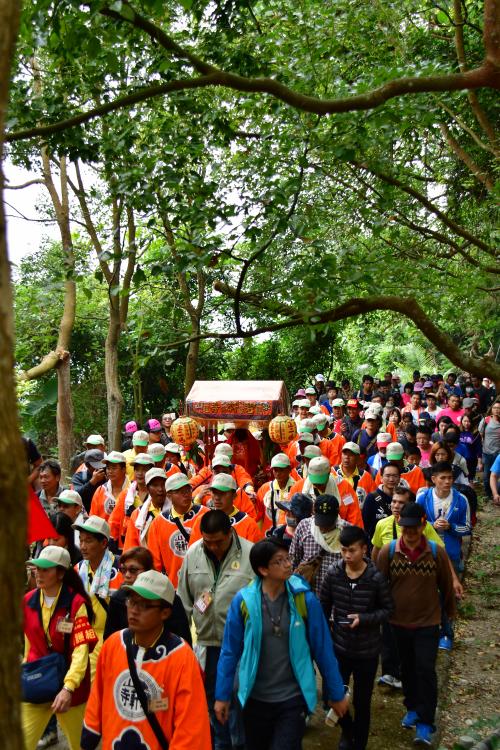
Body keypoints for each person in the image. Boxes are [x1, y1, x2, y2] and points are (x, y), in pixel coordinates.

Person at [215, 538, 349, 750]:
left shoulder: (304, 599)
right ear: (263, 569)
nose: (288, 564)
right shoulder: (244, 602)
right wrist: (222, 695)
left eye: (288, 558)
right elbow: (230, 651)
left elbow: (323, 648)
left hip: (292, 698)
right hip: (254, 698)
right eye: (279, 561)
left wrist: (335, 692)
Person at [81, 570, 211, 750]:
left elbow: (191, 725)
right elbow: (99, 693)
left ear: (165, 612)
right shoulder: (114, 644)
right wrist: (91, 729)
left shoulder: (181, 657)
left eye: (144, 605)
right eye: (132, 601)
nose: (134, 610)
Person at [376, 503, 456, 746]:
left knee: (426, 671)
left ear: (423, 525)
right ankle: (411, 706)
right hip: (398, 622)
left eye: (414, 528)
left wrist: (448, 619)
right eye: (405, 528)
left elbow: (447, 586)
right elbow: (380, 586)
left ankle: (426, 721)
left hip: (427, 622)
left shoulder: (435, 552)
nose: (409, 533)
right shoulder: (389, 552)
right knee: (407, 668)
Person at [178, 510, 254, 750]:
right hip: (207, 643)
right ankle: (220, 743)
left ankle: (240, 743)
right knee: (212, 699)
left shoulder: (250, 554)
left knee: (238, 698)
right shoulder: (193, 554)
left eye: (218, 542)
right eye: (207, 542)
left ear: (230, 533)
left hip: (240, 645)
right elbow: (185, 600)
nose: (213, 547)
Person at [320, 526, 393, 750]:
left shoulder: (375, 578)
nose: (347, 556)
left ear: (364, 549)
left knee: (362, 701)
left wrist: (365, 618)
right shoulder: (333, 573)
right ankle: (347, 730)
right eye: (343, 551)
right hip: (340, 648)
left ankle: (359, 743)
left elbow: (388, 610)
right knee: (333, 696)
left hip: (367, 651)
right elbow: (323, 608)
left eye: (352, 550)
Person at [23, 546, 98, 750]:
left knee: (80, 745)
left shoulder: (76, 604)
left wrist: (68, 688)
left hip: (70, 690)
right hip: (38, 683)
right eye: (37, 568)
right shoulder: (28, 601)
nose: (39, 573)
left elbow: (81, 652)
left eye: (46, 569)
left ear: (61, 573)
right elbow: (28, 644)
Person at [416, 462, 471, 650]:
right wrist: (432, 524)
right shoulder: (423, 498)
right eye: (443, 478)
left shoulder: (461, 500)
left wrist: (451, 527)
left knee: (448, 594)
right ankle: (429, 630)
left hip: (452, 553)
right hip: (427, 553)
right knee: (427, 592)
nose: (447, 482)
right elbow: (416, 523)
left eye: (450, 478)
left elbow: (467, 527)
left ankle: (447, 634)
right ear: (434, 479)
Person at [103, 546, 191, 643]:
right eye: (123, 570)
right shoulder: (118, 598)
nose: (127, 575)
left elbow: (183, 639)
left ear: (148, 570)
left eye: (133, 570)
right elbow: (109, 640)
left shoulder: (168, 598)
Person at [73, 516, 121, 678]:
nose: (83, 546)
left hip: (114, 640)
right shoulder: (77, 570)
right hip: (85, 640)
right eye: (81, 541)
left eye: (89, 541)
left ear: (103, 543)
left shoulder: (121, 569)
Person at [147, 472, 208, 586]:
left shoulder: (206, 514)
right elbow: (155, 562)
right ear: (169, 495)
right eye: (179, 491)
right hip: (173, 587)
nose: (185, 494)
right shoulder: (158, 523)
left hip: (203, 584)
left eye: (187, 490)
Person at [290, 494, 348, 597]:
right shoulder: (304, 527)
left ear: (337, 515)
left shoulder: (347, 531)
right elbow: (293, 559)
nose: (323, 528)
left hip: (335, 596)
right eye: (320, 523)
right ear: (313, 513)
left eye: (328, 523)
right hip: (307, 595)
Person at [190, 473, 263, 545]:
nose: (217, 497)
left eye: (222, 493)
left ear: (234, 496)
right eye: (214, 492)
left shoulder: (249, 525)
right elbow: (194, 553)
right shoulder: (202, 520)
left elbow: (255, 555)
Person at [108, 452, 153, 549]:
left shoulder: (156, 495)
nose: (140, 473)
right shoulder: (126, 494)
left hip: (150, 543)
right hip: (128, 544)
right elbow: (114, 521)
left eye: (144, 470)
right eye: (137, 469)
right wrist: (112, 541)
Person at [255, 453, 299, 533]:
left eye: (281, 470)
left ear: (289, 469)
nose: (278, 473)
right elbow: (259, 516)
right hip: (269, 536)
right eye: (275, 470)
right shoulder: (264, 489)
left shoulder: (297, 487)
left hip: (291, 535)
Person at [362, 462, 401, 541]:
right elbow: (365, 524)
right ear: (381, 478)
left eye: (394, 476)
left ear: (399, 478)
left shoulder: (404, 497)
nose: (391, 479)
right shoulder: (371, 498)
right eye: (387, 476)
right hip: (376, 544)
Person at [332, 442, 376, 509]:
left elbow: (373, 500)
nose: (347, 457)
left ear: (358, 457)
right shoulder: (332, 473)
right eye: (344, 454)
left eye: (351, 454)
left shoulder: (366, 476)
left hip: (358, 517)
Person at [89, 451, 130, 521]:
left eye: (114, 468)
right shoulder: (100, 491)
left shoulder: (132, 490)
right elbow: (92, 517)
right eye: (108, 468)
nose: (110, 471)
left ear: (123, 469)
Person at [71, 450, 107, 514]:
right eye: (96, 466)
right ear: (87, 465)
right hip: (85, 515)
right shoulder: (79, 477)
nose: (100, 468)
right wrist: (92, 482)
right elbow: (75, 496)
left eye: (101, 465)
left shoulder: (108, 475)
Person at [479, 400, 500, 500]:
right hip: (487, 453)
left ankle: (496, 494)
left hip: (498, 454)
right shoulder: (486, 420)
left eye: (499, 408)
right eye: (495, 408)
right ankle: (488, 495)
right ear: (491, 409)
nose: (497, 410)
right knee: (487, 475)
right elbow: (481, 434)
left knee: (496, 475)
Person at [459, 413, 482, 481]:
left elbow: (479, 448)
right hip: (459, 460)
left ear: (471, 422)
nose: (466, 423)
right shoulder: (458, 431)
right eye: (465, 421)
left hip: (471, 460)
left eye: (468, 421)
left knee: (470, 479)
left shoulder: (475, 433)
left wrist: (479, 462)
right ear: (461, 421)